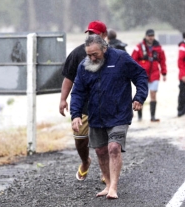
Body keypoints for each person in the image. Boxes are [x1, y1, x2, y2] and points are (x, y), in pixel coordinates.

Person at [70, 34, 148, 199]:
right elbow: (78, 92)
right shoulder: (84, 66)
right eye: (89, 55)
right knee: (100, 150)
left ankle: (113, 187)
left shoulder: (120, 58)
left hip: (119, 113)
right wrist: (75, 114)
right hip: (96, 115)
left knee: (113, 148)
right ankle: (107, 184)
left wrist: (139, 97)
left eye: (95, 54)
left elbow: (140, 75)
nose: (91, 58)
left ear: (104, 48)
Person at [59, 20, 107, 181]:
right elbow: (68, 78)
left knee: (106, 139)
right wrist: (63, 99)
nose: (92, 36)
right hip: (84, 105)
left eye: (95, 34)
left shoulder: (113, 54)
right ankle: (85, 161)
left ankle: (105, 171)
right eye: (89, 33)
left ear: (104, 36)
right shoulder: (77, 53)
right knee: (80, 139)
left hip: (106, 105)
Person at [131, 29, 167, 122]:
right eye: (149, 36)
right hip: (142, 75)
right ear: (146, 36)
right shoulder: (138, 47)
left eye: (152, 36)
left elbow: (162, 61)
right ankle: (139, 117)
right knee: (140, 94)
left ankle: (152, 116)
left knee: (153, 95)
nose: (151, 37)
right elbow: (132, 61)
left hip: (155, 74)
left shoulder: (159, 48)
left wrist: (164, 73)